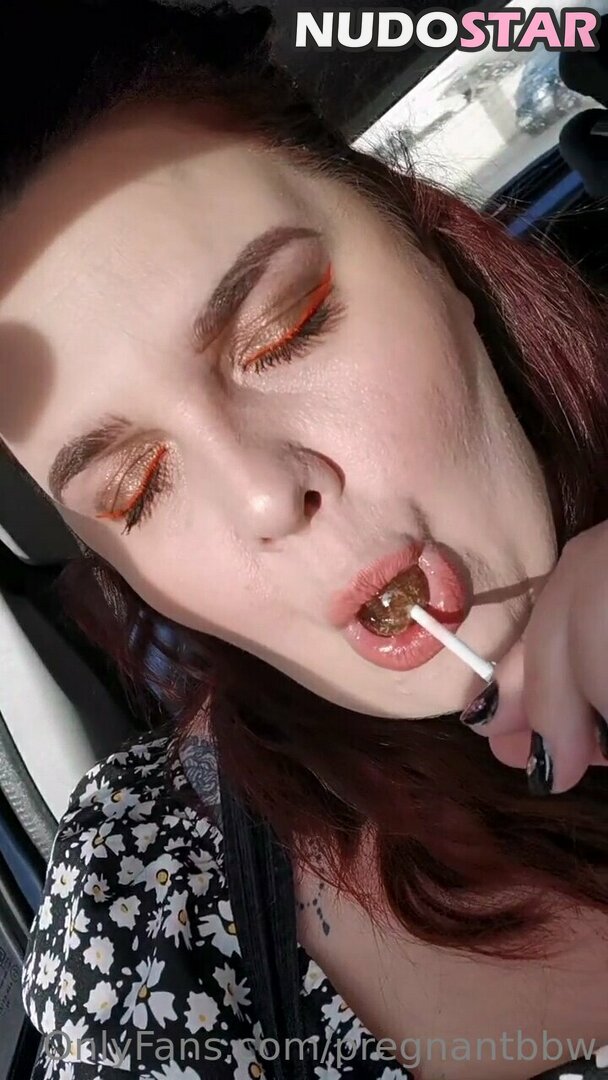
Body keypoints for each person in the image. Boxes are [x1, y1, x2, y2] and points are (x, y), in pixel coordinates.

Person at [2, 1, 608, 1077]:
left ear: (427, 250)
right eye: (136, 490)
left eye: (287, 326)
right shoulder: (150, 911)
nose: (264, 498)